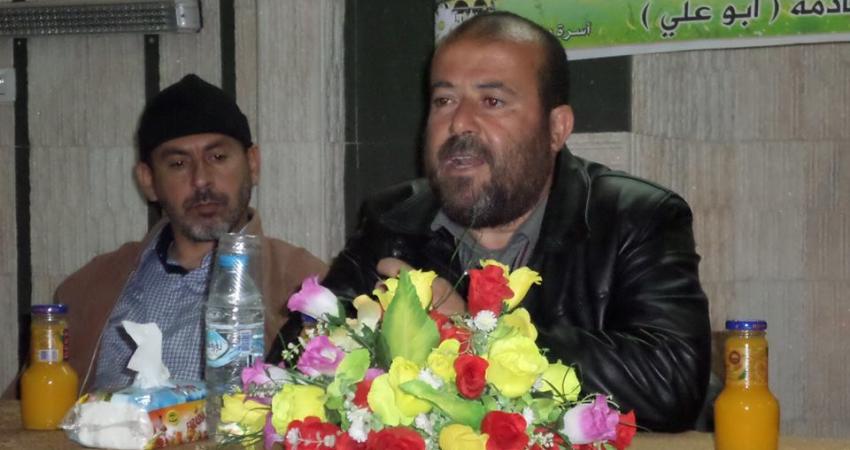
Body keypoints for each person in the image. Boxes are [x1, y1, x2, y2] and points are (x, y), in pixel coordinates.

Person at [281, 12, 711, 431]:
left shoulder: (634, 218)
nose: (459, 123)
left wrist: (475, 333)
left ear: (556, 128)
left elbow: (671, 381)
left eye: (492, 101)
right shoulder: (394, 221)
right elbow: (290, 368)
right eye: (444, 100)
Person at [49, 74, 327, 391]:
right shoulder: (87, 289)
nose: (201, 180)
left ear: (252, 164)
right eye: (178, 164)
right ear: (148, 181)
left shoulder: (305, 288)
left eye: (218, 157)